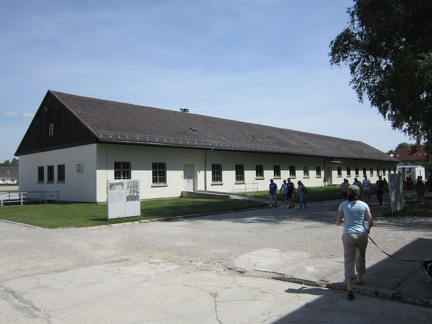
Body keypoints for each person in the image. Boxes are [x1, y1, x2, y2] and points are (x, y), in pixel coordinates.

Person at [337, 185, 374, 301]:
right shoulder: (364, 205)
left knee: (349, 259)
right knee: (361, 256)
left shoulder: (343, 205)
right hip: (362, 234)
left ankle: (350, 287)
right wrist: (367, 230)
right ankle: (359, 278)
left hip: (349, 234)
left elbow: (338, 221)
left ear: (348, 193)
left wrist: (345, 220)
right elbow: (370, 221)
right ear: (358, 194)